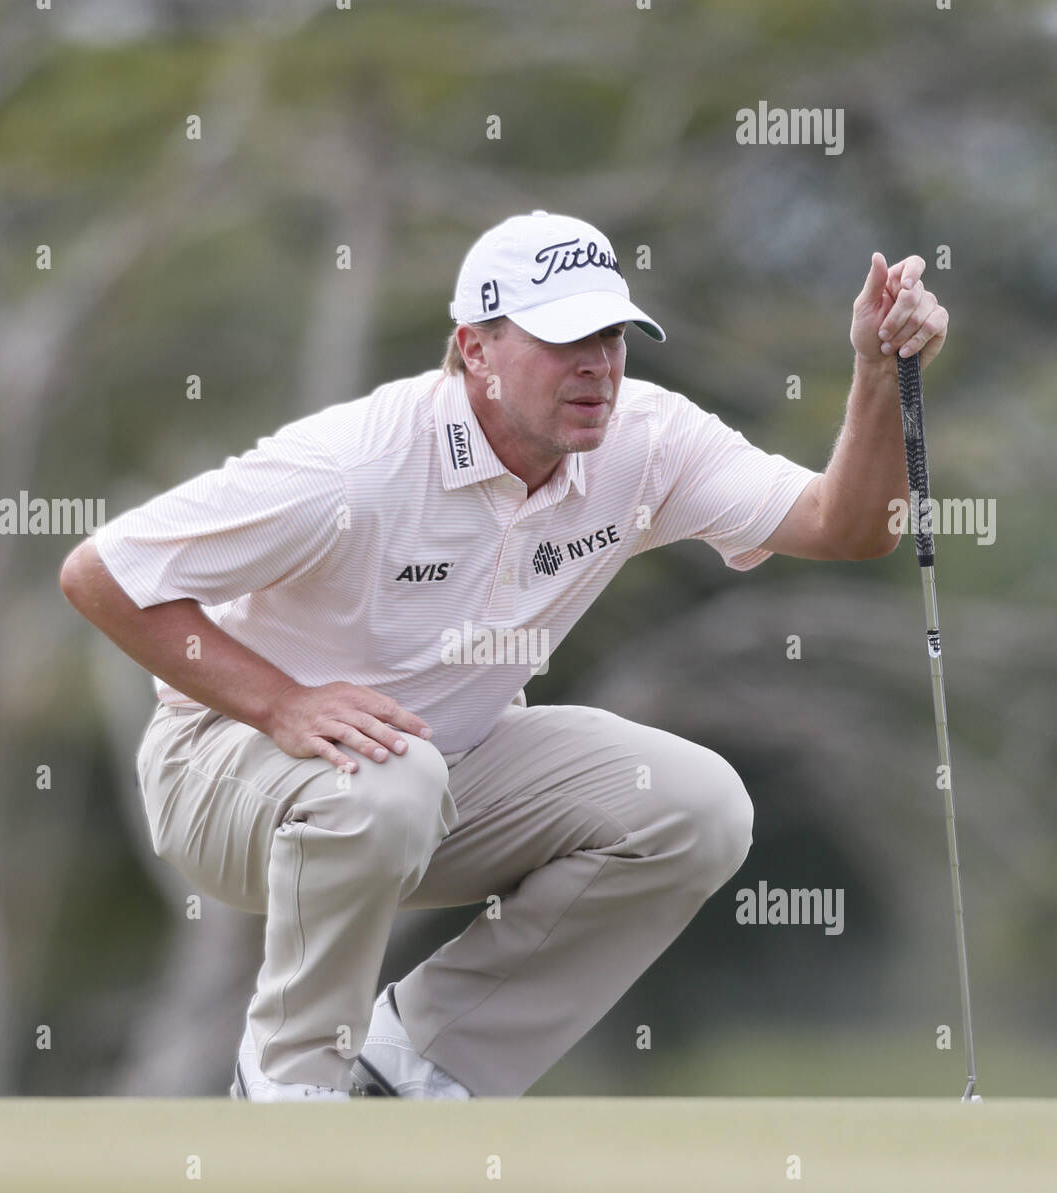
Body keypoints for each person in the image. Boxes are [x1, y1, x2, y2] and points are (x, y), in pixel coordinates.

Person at [59, 210, 948, 1101]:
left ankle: (412, 1069)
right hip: (223, 774)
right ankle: (292, 1086)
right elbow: (101, 573)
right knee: (388, 777)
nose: (597, 364)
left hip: (440, 772)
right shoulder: (351, 466)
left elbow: (848, 527)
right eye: (564, 338)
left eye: (610, 334)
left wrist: (877, 372)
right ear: (475, 350)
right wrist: (281, 703)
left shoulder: (648, 441)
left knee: (695, 808)